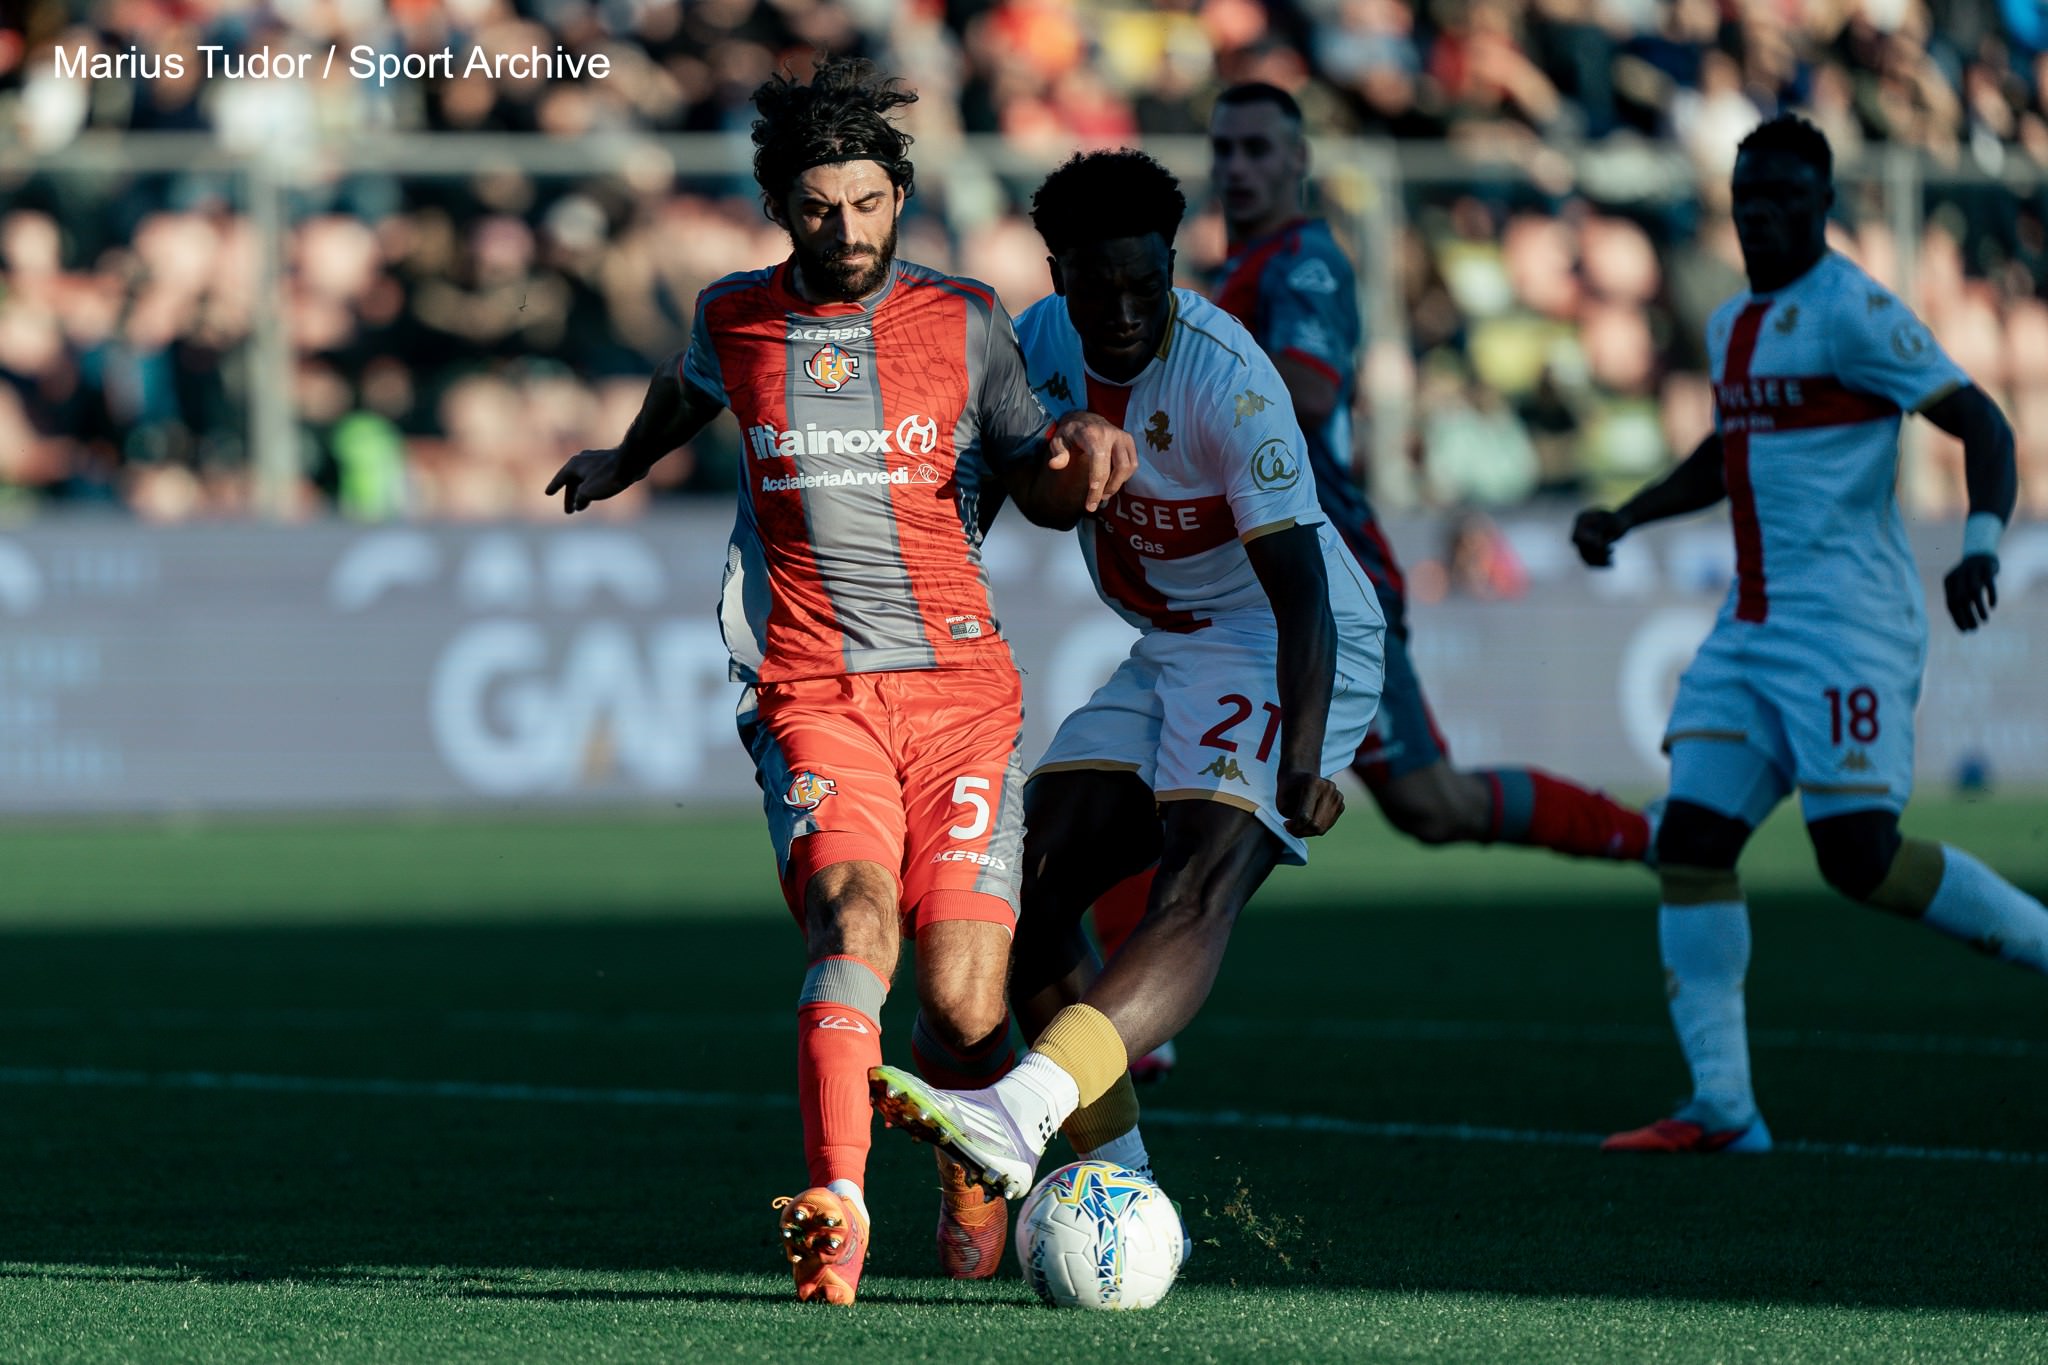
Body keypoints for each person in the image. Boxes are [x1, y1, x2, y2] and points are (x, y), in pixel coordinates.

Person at [545, 56, 1134, 1301]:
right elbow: (685, 391)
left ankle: (969, 1161)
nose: (848, 229)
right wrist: (624, 460)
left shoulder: (965, 320)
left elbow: (1030, 479)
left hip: (961, 697)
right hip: (810, 692)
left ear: (899, 196)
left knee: (965, 1002)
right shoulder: (733, 317)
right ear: (779, 209)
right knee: (853, 920)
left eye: (868, 203)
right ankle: (837, 1204)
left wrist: (1076, 462)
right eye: (819, 208)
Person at [1090, 81, 1653, 1084]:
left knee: (1430, 803)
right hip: (1237, 585)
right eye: (1225, 147)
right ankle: (1134, 1024)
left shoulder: (1301, 263)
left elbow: (1307, 392)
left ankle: (1641, 834)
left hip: (1324, 574)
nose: (1239, 166)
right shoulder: (1231, 274)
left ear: (1298, 160)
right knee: (1139, 773)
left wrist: (1198, 388)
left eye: (1259, 147)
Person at [867, 148, 1386, 1205]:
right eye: (1097, 286)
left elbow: (1303, 591)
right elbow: (981, 497)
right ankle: (1119, 1177)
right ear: (1057, 272)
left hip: (1277, 638)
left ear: (1171, 266)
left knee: (1199, 881)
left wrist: (1301, 758)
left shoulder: (1228, 380)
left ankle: (1020, 1111)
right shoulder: (1038, 346)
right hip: (1170, 645)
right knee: (1022, 894)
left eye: (1145, 284)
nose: (1122, 310)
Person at [1572, 114, 2048, 1154]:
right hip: (1749, 628)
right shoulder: (1732, 322)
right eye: (1747, 198)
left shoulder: (1854, 312)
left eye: (1784, 198)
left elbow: (1981, 421)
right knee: (1691, 842)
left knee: (1858, 860)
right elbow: (1727, 452)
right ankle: (1723, 1107)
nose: (1762, 215)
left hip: (1846, 629)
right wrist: (1629, 514)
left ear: (1823, 206)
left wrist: (1979, 544)